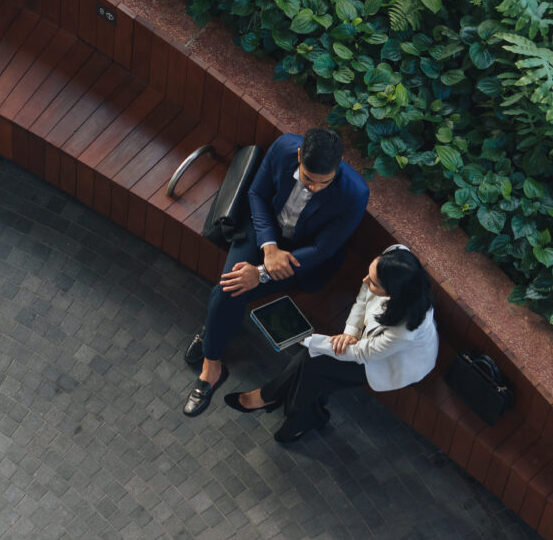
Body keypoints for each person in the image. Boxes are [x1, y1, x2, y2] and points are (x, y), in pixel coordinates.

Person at [182, 128, 370, 417]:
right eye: (308, 179)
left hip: (301, 257)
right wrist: (268, 248)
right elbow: (257, 193)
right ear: (299, 156)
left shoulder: (355, 193)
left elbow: (323, 249)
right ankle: (213, 362)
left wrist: (261, 272)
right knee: (229, 288)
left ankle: (212, 344)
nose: (314, 188)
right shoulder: (284, 147)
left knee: (229, 290)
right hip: (262, 231)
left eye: (324, 182)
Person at [224, 245, 438, 443]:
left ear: (393, 291)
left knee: (312, 364)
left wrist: (306, 339)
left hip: (388, 363)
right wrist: (350, 333)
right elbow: (363, 299)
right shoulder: (395, 255)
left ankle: (270, 397)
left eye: (373, 282)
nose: (364, 281)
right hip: (366, 344)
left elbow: (363, 354)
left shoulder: (405, 329)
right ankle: (291, 413)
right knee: (312, 366)